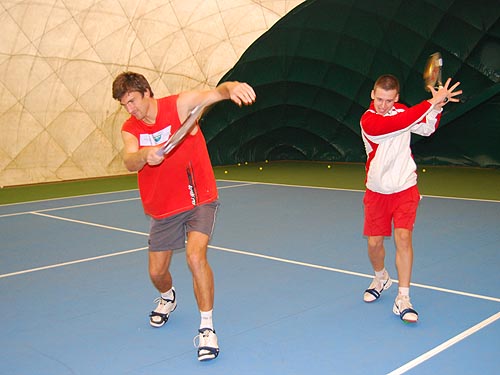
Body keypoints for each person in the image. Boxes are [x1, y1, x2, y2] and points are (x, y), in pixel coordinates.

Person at [112, 71, 256, 360]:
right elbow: (129, 159)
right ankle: (168, 297)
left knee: (194, 256)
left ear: (146, 92)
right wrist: (145, 155)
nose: (131, 109)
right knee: (156, 272)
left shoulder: (179, 105)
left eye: (132, 101)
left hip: (199, 196)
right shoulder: (130, 128)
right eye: (124, 104)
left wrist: (234, 87)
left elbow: (216, 93)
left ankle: (207, 328)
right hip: (163, 207)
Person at [360, 74, 461, 323]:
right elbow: (398, 124)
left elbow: (425, 129)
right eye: (379, 99)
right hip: (377, 191)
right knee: (374, 244)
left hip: (405, 187)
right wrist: (430, 102)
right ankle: (381, 276)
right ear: (373, 94)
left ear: (396, 98)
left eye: (389, 100)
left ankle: (403, 297)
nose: (383, 105)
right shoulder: (369, 120)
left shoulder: (403, 111)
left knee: (403, 237)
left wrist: (437, 106)